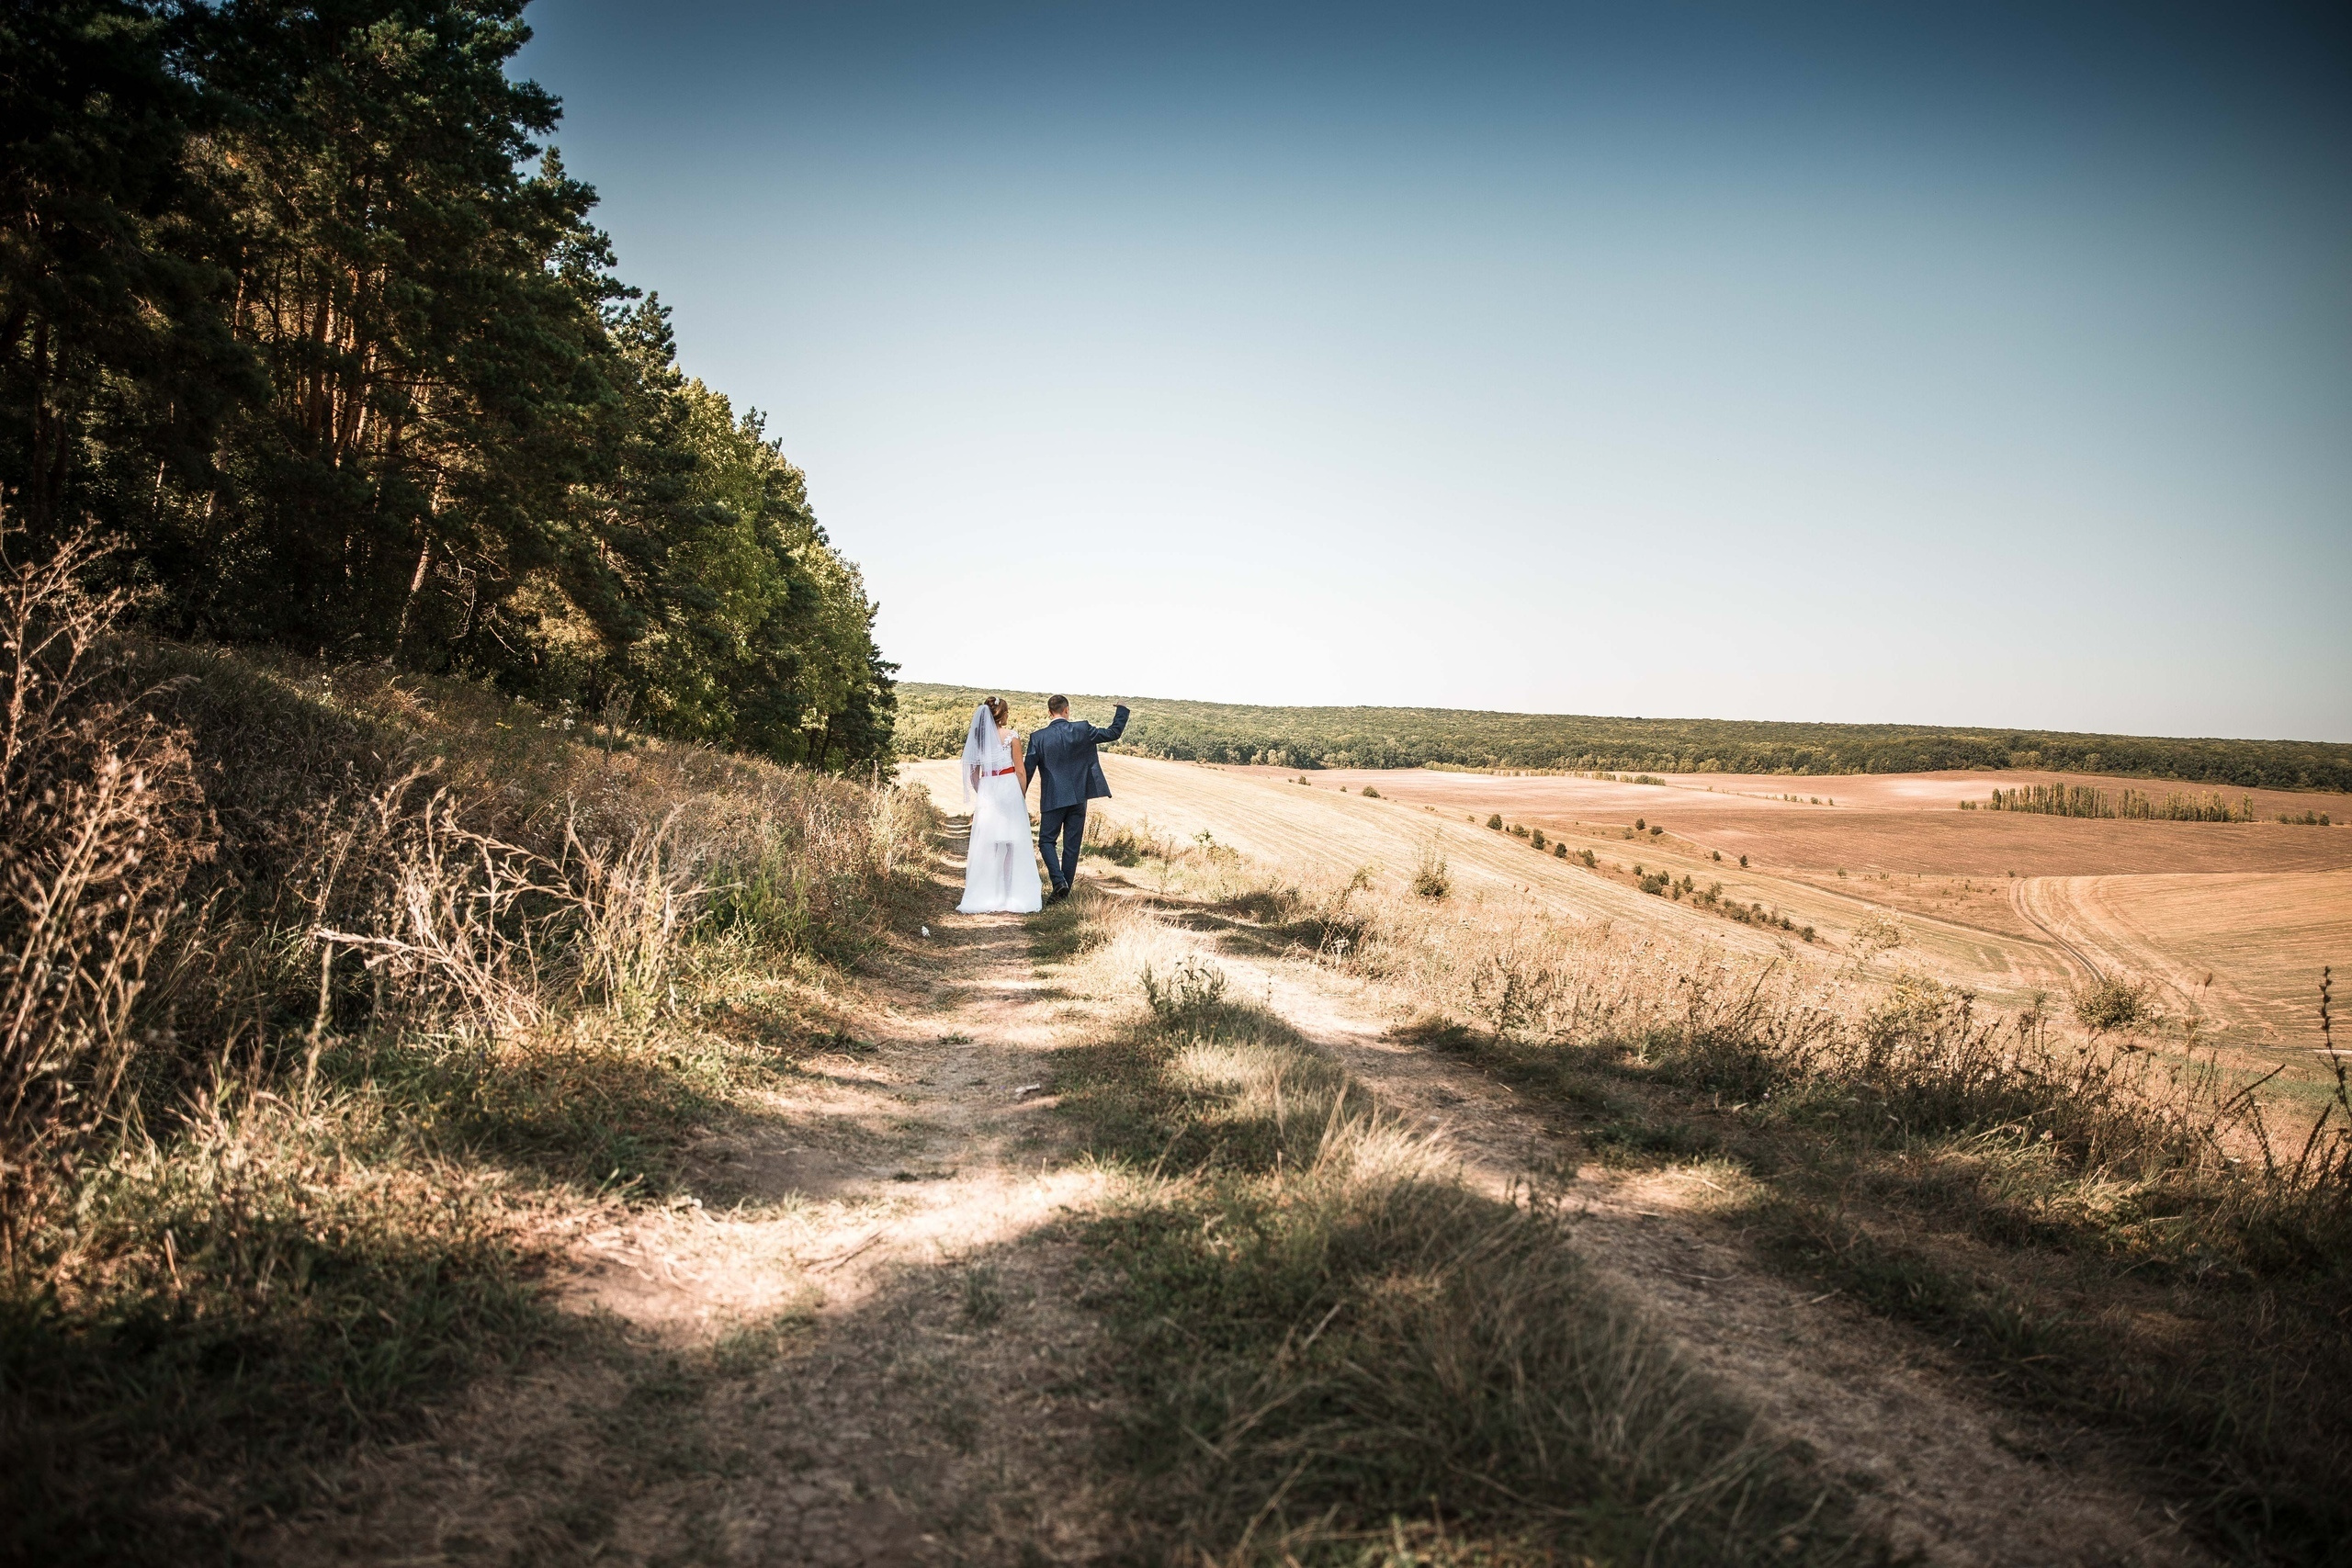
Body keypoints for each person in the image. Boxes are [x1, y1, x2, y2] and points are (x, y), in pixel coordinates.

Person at [1024, 694, 1130, 902]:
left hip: (1053, 799)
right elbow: (1113, 732)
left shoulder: (1038, 737)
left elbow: (1028, 771)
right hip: (1079, 799)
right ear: (1066, 710)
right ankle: (1064, 894)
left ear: (1049, 712)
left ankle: (1059, 882)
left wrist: (1019, 796)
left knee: (1046, 841)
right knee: (1072, 847)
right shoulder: (1082, 730)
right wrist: (1122, 709)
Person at [956, 698, 1042, 914]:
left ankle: (989, 893)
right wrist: (1020, 795)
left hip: (988, 787)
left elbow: (974, 774)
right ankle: (1011, 893)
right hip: (1009, 787)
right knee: (1013, 842)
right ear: (1002, 715)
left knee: (990, 842)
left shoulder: (978, 739)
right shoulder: (1012, 737)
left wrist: (983, 792)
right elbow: (1020, 771)